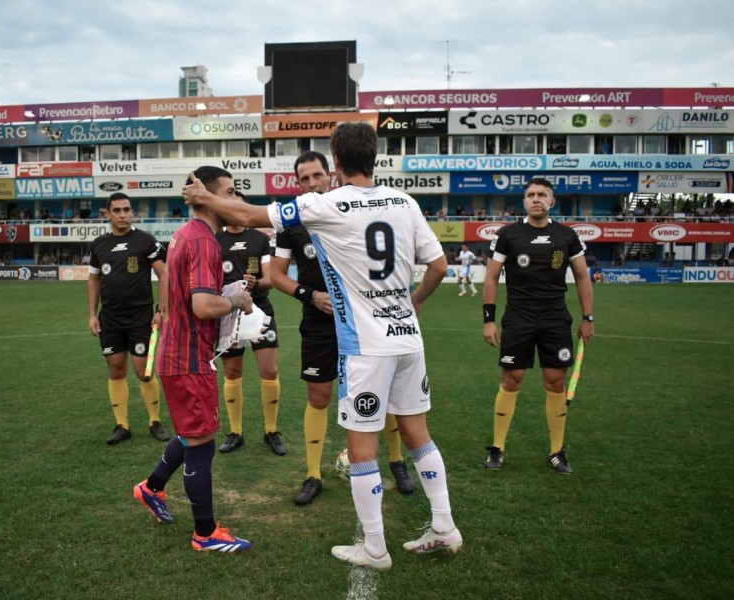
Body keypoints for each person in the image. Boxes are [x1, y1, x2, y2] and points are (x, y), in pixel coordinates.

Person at [185, 122, 461, 569]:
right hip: (408, 339)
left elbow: (249, 216)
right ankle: (445, 527)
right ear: (375, 157)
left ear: (335, 162)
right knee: (419, 435)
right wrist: (413, 304)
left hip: (366, 347)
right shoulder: (405, 202)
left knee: (361, 449)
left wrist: (203, 197)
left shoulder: (325, 204)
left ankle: (374, 547)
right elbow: (440, 266)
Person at [269, 151, 416, 506]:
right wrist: (309, 295)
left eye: (317, 175)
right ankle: (313, 474)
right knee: (318, 396)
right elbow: (274, 275)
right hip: (319, 324)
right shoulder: (292, 224)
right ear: (297, 183)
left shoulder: (352, 210)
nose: (311, 183)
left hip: (367, 322)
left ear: (331, 174)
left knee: (388, 394)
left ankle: (396, 462)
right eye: (303, 179)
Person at [133, 166, 253, 553]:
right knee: (201, 443)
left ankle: (151, 488)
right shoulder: (203, 241)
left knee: (190, 431)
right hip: (189, 358)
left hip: (176, 351)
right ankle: (205, 533)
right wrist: (237, 300)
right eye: (231, 193)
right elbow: (203, 306)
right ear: (211, 197)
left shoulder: (184, 235)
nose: (235, 200)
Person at [481, 177, 594, 475]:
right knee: (512, 379)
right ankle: (498, 447)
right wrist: (489, 320)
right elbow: (491, 277)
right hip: (518, 317)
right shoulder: (508, 234)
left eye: (542, 195)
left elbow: (583, 276)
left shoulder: (567, 236)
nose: (536, 199)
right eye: (531, 194)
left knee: (556, 381)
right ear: (524, 201)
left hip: (555, 318)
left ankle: (557, 451)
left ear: (552, 202)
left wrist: (588, 317)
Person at [88, 192, 172, 445]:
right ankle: (121, 425)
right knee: (115, 369)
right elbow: (94, 280)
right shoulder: (99, 245)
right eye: (117, 211)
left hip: (140, 318)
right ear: (108, 214)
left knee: (144, 371)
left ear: (132, 213)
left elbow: (165, 274)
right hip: (111, 318)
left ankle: (155, 421)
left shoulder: (145, 241)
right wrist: (92, 314)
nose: (123, 215)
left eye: (127, 210)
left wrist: (162, 310)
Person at [215, 190, 286, 456]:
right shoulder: (215, 240)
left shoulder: (259, 238)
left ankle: (271, 430)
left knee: (269, 371)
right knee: (232, 372)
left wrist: (257, 283)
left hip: (259, 310)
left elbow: (271, 279)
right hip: (227, 313)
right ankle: (236, 432)